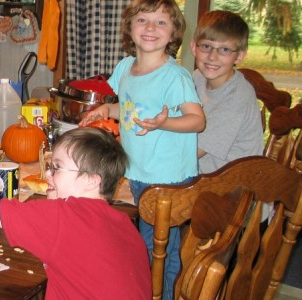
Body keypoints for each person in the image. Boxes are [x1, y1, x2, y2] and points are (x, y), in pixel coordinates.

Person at [0, 127, 151, 299]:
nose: (48, 175)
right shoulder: (123, 222)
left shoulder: (65, 218)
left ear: (92, 180)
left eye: (57, 168)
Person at [79, 1, 205, 299]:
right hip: (137, 171)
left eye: (161, 22)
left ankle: (160, 293)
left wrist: (165, 123)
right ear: (129, 28)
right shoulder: (125, 67)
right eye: (143, 20)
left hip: (167, 178)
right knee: (149, 240)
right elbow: (128, 105)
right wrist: (105, 110)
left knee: (160, 246)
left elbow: (197, 121)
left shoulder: (175, 77)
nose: (150, 28)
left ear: (174, 31)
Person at [191, 11, 263, 174]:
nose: (212, 57)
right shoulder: (197, 78)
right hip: (199, 177)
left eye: (224, 49)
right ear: (194, 47)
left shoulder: (237, 97)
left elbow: (189, 154)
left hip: (233, 192)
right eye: (207, 46)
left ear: (239, 56)